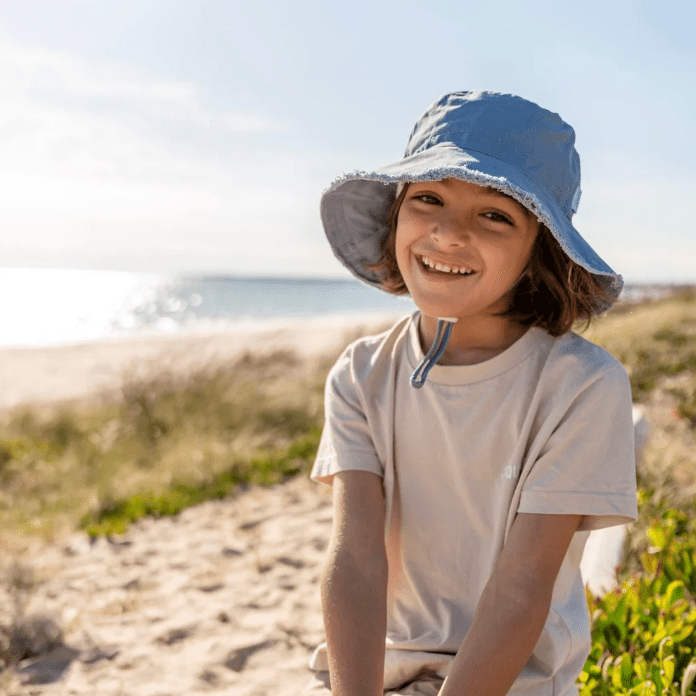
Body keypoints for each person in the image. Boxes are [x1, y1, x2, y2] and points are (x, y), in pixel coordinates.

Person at [303, 91, 638, 696]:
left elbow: (520, 588)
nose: (447, 233)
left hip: (510, 681)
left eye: (495, 215)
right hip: (376, 673)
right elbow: (355, 561)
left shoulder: (582, 385)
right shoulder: (359, 374)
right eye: (427, 198)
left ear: (541, 247)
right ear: (396, 216)